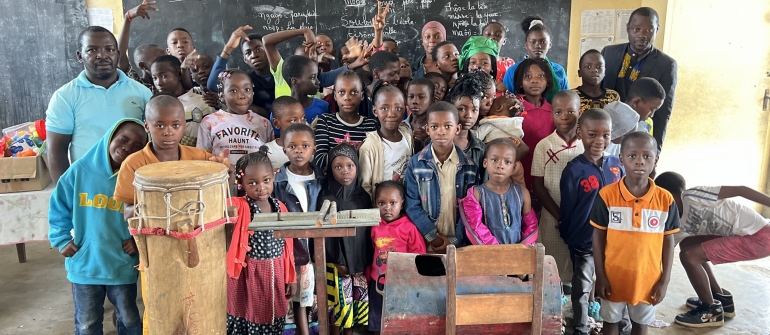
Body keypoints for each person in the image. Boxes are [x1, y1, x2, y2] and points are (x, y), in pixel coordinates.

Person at [112, 95, 231, 334]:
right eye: (160, 125)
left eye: (175, 125)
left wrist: (225, 169)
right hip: (157, 249)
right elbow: (127, 210)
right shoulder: (134, 163)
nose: (168, 132)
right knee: (160, 309)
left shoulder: (199, 159)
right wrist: (159, 209)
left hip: (202, 246)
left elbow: (221, 197)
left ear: (184, 126)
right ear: (147, 126)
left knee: (202, 306)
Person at [49, 118, 147, 335]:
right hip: (86, 264)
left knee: (129, 320)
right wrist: (61, 238)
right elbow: (58, 205)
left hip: (121, 264)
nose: (127, 148)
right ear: (109, 138)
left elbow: (150, 214)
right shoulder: (80, 171)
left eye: (137, 147)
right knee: (87, 323)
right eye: (122, 140)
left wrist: (138, 240)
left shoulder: (138, 179)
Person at [591, 131, 679, 335]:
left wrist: (664, 280)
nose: (640, 161)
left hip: (648, 279)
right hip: (613, 277)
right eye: (632, 156)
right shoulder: (607, 195)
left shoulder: (665, 200)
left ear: (655, 160)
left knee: (641, 325)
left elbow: (668, 241)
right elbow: (598, 237)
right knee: (610, 323)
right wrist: (600, 275)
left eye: (647, 156)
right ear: (621, 159)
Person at [655, 172, 770, 328]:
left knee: (689, 257)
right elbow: (663, 253)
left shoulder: (693, 197)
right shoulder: (676, 222)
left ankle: (710, 311)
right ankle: (720, 298)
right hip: (743, 236)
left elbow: (740, 190)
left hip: (759, 237)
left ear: (671, 194)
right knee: (688, 243)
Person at [46, 26, 152, 184]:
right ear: (79, 55)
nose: (102, 55)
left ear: (118, 54)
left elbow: (153, 142)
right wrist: (66, 196)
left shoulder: (142, 93)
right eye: (92, 50)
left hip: (133, 184)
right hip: (87, 188)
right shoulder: (65, 96)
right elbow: (57, 151)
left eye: (109, 49)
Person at [559, 108, 625, 334]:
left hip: (615, 241)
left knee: (616, 283)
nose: (599, 140)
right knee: (582, 286)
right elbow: (567, 208)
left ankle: (619, 322)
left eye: (605, 135)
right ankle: (581, 325)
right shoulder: (574, 170)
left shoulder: (617, 165)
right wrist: (569, 235)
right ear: (580, 133)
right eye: (592, 134)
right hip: (584, 241)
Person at [226, 150, 297, 335]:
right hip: (249, 275)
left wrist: (291, 277)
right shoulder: (240, 205)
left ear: (273, 176)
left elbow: (288, 247)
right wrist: (230, 177)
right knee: (251, 315)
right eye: (252, 183)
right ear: (241, 184)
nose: (261, 187)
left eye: (266, 180)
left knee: (275, 315)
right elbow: (220, 203)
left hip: (277, 272)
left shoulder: (280, 207)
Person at [272, 123, 325, 335]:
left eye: (305, 146)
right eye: (292, 146)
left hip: (316, 246)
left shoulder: (322, 178)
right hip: (291, 249)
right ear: (284, 149)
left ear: (314, 148)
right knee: (295, 295)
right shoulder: (277, 181)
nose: (299, 150)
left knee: (311, 294)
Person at [404, 102, 478, 253]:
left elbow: (472, 208)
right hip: (426, 242)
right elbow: (412, 205)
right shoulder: (416, 164)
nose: (441, 132)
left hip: (460, 244)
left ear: (457, 129)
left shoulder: (469, 167)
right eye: (435, 127)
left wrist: (454, 240)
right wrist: (434, 238)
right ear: (427, 129)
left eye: (447, 126)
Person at [602, 7, 677, 152]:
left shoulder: (666, 65)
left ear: (657, 29)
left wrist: (656, 152)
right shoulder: (609, 53)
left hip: (638, 137)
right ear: (628, 28)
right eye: (636, 29)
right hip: (609, 135)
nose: (642, 35)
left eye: (648, 30)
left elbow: (662, 114)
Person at [530, 90, 584, 285]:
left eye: (570, 111)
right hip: (553, 214)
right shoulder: (544, 146)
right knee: (552, 261)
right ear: (551, 113)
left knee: (579, 262)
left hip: (580, 216)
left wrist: (575, 217)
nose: (564, 117)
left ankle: (576, 294)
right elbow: (538, 185)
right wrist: (560, 216)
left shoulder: (586, 145)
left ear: (580, 111)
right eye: (558, 112)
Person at [320, 144, 373, 335]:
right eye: (338, 166)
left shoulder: (364, 198)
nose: (345, 171)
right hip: (337, 266)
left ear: (357, 167)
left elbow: (366, 235)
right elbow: (326, 236)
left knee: (354, 312)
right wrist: (339, 261)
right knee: (338, 309)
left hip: (359, 266)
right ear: (330, 169)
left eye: (350, 165)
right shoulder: (325, 197)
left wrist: (361, 262)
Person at [368, 181, 427, 334]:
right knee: (377, 320)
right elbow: (373, 251)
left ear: (402, 203)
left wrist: (414, 281)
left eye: (392, 203)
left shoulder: (409, 228)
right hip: (378, 282)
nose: (387, 207)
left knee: (400, 320)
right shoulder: (375, 226)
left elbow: (419, 255)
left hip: (402, 282)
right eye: (381, 203)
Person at [459, 138, 538, 245]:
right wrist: (497, 251)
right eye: (495, 160)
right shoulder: (476, 194)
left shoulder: (523, 193)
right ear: (485, 162)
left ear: (514, 168)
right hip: (488, 255)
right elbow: (475, 227)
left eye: (507, 162)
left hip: (518, 256)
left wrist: (521, 249)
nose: (500, 165)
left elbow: (530, 226)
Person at [197, 69, 274, 167]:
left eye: (247, 89)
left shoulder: (264, 123)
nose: (242, 95)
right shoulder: (209, 122)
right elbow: (201, 159)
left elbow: (270, 158)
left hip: (254, 180)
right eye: (233, 90)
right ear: (221, 95)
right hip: (223, 180)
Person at [313, 71, 378, 169]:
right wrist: (352, 153)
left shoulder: (371, 125)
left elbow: (373, 161)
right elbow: (319, 160)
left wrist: (337, 155)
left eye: (354, 92)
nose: (347, 97)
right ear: (335, 96)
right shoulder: (325, 121)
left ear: (362, 95)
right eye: (341, 92)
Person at [359, 81, 413, 200]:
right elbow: (365, 185)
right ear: (375, 111)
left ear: (404, 109)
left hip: (405, 203)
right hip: (383, 208)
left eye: (398, 108)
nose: (391, 114)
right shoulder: (370, 145)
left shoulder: (407, 135)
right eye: (384, 108)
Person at [207, 27, 273, 118]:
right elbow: (213, 85)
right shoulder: (246, 80)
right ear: (245, 60)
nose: (254, 55)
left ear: (268, 51)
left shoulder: (283, 73)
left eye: (259, 49)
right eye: (248, 53)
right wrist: (228, 48)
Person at [511, 58, 555, 191]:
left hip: (547, 177)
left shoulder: (554, 111)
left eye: (540, 76)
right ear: (520, 82)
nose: (534, 80)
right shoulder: (513, 108)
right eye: (528, 76)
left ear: (547, 81)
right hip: (518, 176)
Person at [150, 55, 214, 146]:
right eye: (155, 78)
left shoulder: (204, 101)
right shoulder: (158, 108)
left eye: (164, 76)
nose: (159, 83)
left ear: (179, 75)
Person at [503, 16, 569, 100]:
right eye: (532, 42)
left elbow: (566, 99)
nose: (538, 46)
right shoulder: (513, 71)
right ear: (526, 45)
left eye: (543, 41)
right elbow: (507, 100)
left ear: (550, 45)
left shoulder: (559, 71)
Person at [442, 71, 488, 180]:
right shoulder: (435, 141)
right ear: (452, 106)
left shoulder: (480, 149)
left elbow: (483, 186)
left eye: (474, 110)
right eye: (462, 109)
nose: (469, 115)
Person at [283, 55, 328, 126]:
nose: (318, 82)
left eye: (317, 76)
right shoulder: (280, 111)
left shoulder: (324, 106)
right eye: (313, 77)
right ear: (295, 81)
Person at [263, 97, 306, 171]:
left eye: (303, 118)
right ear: (276, 123)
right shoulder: (266, 151)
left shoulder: (309, 149)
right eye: (293, 120)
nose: (300, 123)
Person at [481, 22, 516, 91]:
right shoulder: (475, 63)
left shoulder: (509, 64)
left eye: (498, 35)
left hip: (504, 100)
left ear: (504, 41)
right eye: (488, 34)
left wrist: (506, 87)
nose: (492, 37)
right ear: (482, 39)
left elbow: (516, 86)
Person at [403, 78, 435, 152]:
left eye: (421, 97)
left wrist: (428, 140)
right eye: (411, 96)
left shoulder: (435, 129)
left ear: (432, 101)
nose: (415, 101)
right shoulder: (401, 126)